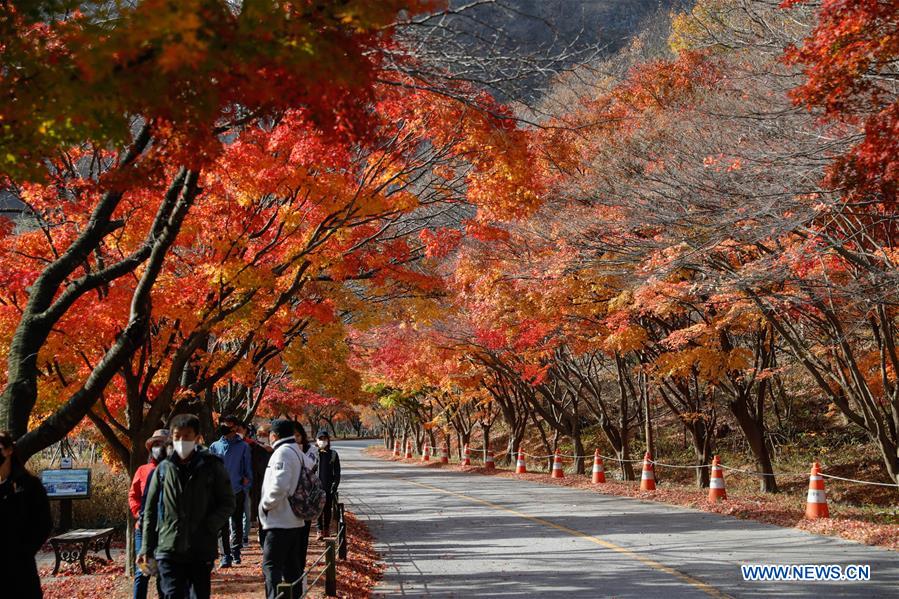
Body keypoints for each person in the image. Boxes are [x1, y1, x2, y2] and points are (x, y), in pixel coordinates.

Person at [139, 414, 235, 599]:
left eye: (187, 436)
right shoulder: (163, 468)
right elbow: (149, 512)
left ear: (197, 437)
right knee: (171, 594)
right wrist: (146, 548)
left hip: (200, 547)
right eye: (177, 436)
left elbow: (228, 502)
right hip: (168, 546)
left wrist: (210, 525)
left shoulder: (212, 466)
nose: (182, 441)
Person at [259, 419, 316, 599]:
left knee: (271, 567)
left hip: (280, 520)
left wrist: (266, 505)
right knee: (292, 568)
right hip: (294, 520)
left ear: (274, 435)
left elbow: (279, 486)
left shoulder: (282, 453)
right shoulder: (297, 451)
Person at [0, 430, 53, 599]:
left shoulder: (29, 486)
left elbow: (43, 524)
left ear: (9, 450)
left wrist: (22, 551)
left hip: (20, 571)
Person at [129, 428, 169, 599]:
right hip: (143, 530)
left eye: (162, 444)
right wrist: (138, 513)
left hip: (166, 530)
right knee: (143, 572)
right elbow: (133, 495)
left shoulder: (175, 471)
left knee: (163, 573)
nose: (158, 447)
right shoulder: (142, 470)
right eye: (156, 444)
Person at [209, 415, 252, 567]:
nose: (225, 427)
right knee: (222, 525)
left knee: (236, 522)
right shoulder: (214, 446)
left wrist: (245, 485)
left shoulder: (243, 447)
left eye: (228, 425)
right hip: (219, 492)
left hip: (236, 490)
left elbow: (248, 471)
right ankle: (225, 555)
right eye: (223, 424)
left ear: (235, 427)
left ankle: (236, 551)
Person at [293, 422, 317, 570]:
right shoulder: (283, 451)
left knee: (303, 536)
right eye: (292, 436)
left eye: (298, 435)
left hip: (306, 498)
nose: (295, 439)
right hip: (288, 501)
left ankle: (300, 567)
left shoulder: (311, 450)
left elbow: (309, 465)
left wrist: (297, 452)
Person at [315, 429, 341, 540]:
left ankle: (326, 529)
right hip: (315, 487)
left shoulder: (333, 454)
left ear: (328, 440)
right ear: (316, 440)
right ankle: (319, 530)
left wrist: (335, 485)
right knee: (317, 509)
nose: (323, 441)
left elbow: (337, 472)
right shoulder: (313, 454)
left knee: (327, 509)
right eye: (320, 439)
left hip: (328, 486)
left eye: (325, 439)